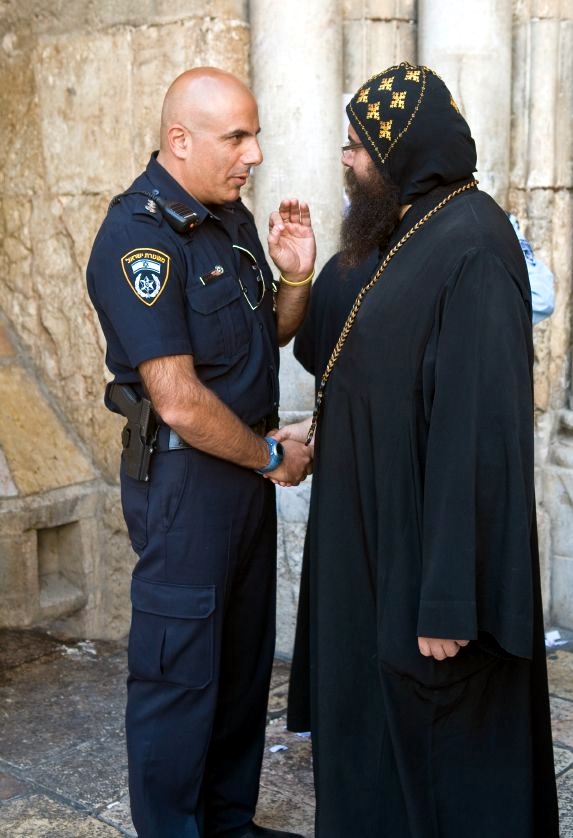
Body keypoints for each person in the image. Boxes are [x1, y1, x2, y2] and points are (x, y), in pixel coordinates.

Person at [276, 63, 560, 837]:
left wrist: (449, 598)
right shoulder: (403, 227)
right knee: (375, 756)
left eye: (357, 147)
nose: (345, 159)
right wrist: (299, 276)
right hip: (375, 549)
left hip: (424, 576)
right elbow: (339, 348)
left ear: (402, 150)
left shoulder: (470, 246)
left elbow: (478, 437)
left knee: (446, 766)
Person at [86, 67, 315, 838]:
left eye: (254, 136)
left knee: (242, 667)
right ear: (179, 141)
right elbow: (180, 398)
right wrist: (266, 457)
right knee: (179, 675)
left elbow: (262, 339)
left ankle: (227, 823)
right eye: (236, 138)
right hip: (187, 483)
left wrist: (296, 278)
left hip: (239, 476)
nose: (252, 155)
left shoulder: (226, 218)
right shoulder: (137, 236)